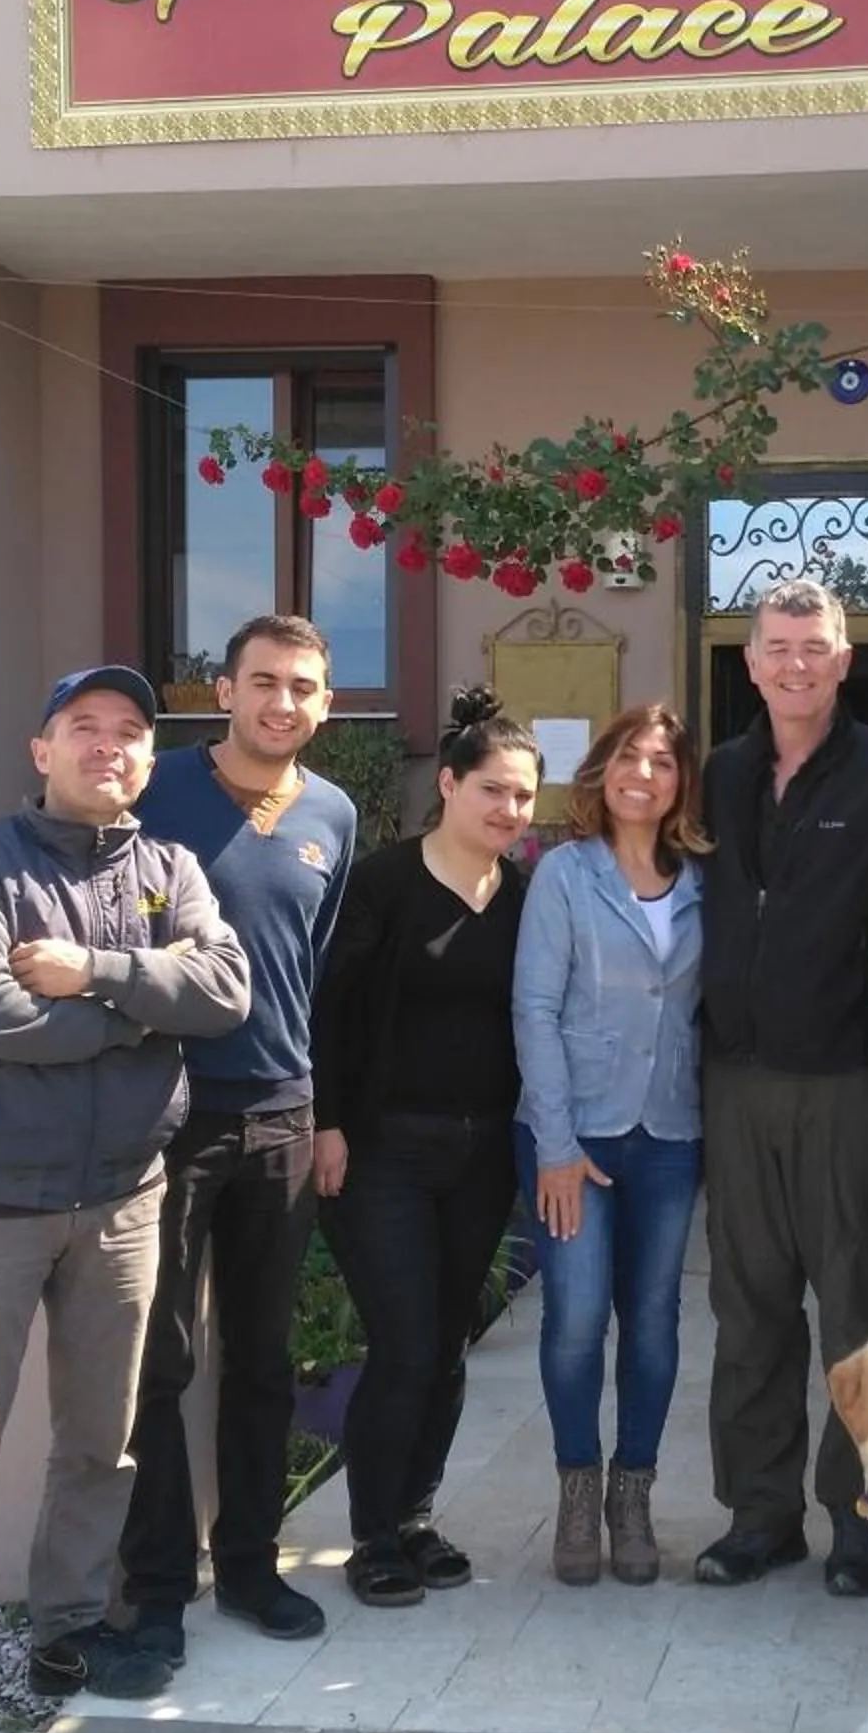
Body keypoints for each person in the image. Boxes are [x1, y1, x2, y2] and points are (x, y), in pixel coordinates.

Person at [0, 616, 356, 1668]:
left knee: (212, 1384)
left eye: (304, 687)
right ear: (224, 695)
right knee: (83, 1400)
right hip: (100, 1151)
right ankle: (69, 1616)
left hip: (221, 1134)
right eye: (263, 682)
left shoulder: (292, 824)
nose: (283, 701)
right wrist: (151, 1019)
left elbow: (259, 980)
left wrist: (103, 986)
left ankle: (189, 1586)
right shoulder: (52, 836)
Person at [0, 664, 252, 1733]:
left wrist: (92, 973)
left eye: (132, 732)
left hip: (124, 1200)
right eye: (84, 728)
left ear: (150, 758)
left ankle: (65, 1630)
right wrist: (138, 1017)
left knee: (103, 1442)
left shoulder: (171, 866)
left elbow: (227, 989)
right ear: (40, 750)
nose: (110, 746)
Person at [695, 576, 868, 1597]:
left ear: (844, 658)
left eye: (814, 646)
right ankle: (761, 1514)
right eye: (777, 646)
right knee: (748, 1308)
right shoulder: (723, 772)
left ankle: (861, 1516)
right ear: (750, 662)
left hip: (845, 1083)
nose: (795, 662)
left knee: (858, 1310)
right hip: (738, 1081)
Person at [310, 685, 540, 1609]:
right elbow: (329, 1010)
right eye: (492, 790)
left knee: (446, 1344)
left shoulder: (524, 896)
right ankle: (369, 1535)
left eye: (524, 796)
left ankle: (415, 1517)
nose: (509, 811)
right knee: (404, 1342)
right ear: (447, 785)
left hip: (481, 1156)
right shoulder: (383, 885)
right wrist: (326, 1122)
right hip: (383, 1153)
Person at [511, 702, 710, 1587]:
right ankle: (577, 1491)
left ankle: (633, 1496)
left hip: (668, 1130)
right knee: (578, 1317)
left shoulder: (705, 877)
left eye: (663, 762)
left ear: (680, 783)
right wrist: (555, 1143)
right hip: (573, 1132)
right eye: (630, 757)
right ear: (602, 771)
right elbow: (535, 1008)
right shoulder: (564, 873)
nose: (645, 774)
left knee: (655, 1324)